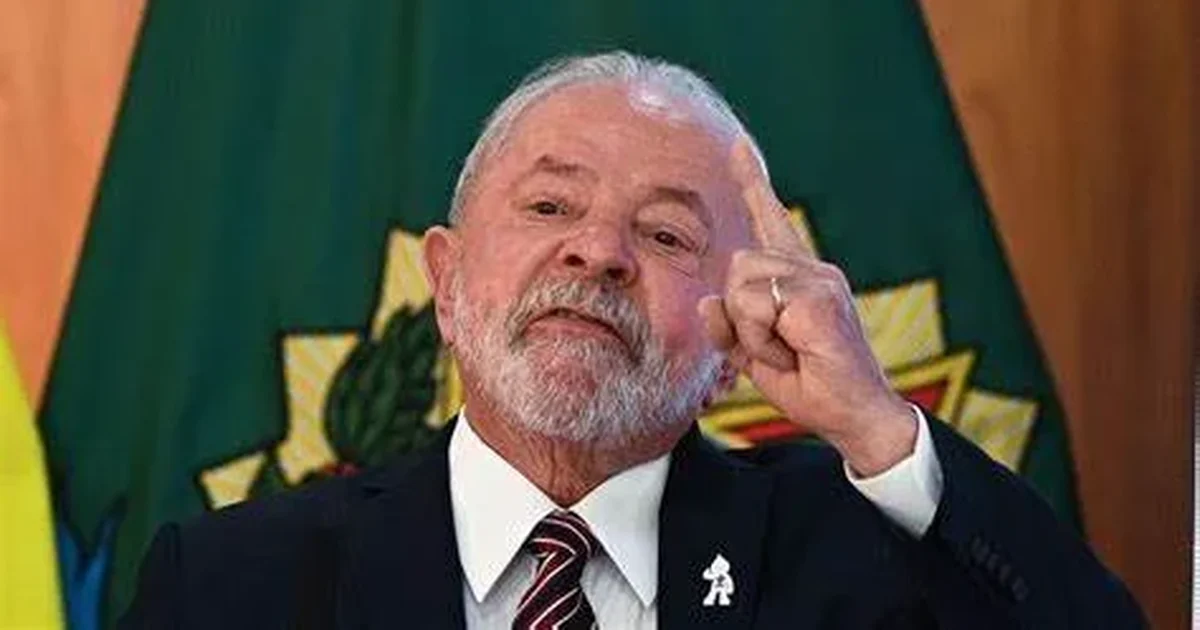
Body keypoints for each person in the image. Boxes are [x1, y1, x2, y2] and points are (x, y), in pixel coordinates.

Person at [120, 51, 1144, 629]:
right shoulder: (231, 585)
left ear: (739, 339)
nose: (599, 252)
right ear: (444, 280)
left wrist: (877, 427)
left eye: (665, 235)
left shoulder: (860, 559)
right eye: (550, 206)